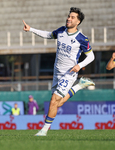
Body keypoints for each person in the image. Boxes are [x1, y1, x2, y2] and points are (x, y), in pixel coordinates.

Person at [23, 7, 95, 136]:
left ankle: (43, 131)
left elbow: (91, 56)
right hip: (57, 72)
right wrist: (31, 29)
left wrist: (80, 65)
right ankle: (79, 86)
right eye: (69, 16)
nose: (69, 18)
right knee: (57, 103)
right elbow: (48, 35)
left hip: (69, 73)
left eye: (72, 17)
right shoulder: (61, 31)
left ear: (78, 22)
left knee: (54, 101)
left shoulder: (81, 38)